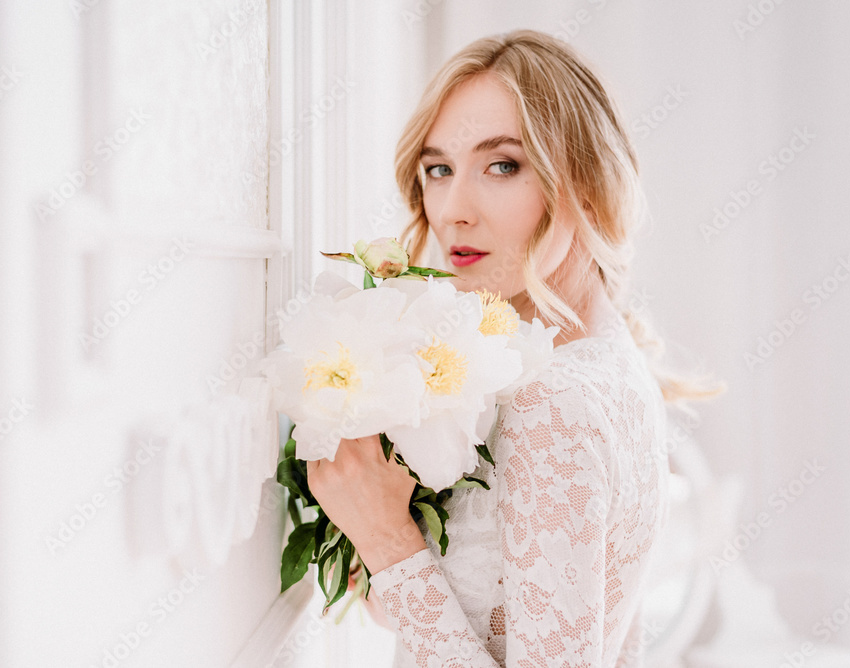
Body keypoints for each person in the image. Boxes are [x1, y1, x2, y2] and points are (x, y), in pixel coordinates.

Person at [307, 30, 723, 666]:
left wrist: (389, 538)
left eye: (502, 165)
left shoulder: (552, 402)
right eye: (438, 169)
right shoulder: (609, 358)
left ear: (586, 182)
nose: (452, 209)